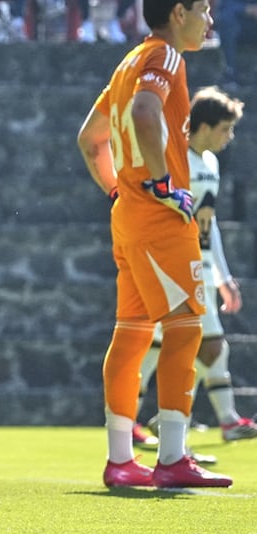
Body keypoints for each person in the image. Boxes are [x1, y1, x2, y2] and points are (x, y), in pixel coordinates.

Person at [76, 0, 230, 488]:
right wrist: (162, 185)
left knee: (134, 331)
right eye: (203, 9)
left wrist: (120, 189)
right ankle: (171, 458)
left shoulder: (128, 62)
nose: (209, 20)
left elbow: (90, 137)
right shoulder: (164, 56)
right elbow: (145, 111)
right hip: (160, 217)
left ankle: (121, 459)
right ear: (179, 11)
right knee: (186, 329)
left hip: (129, 215)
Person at [135, 86, 257, 445]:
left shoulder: (211, 163)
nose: (229, 137)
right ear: (204, 126)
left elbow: (210, 222)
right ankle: (179, 420)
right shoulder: (176, 158)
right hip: (176, 265)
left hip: (200, 266)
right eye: (225, 128)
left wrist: (222, 276)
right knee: (210, 345)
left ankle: (138, 419)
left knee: (161, 348)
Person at [215, 0, 257, 87]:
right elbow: (224, 6)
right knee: (226, 17)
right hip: (239, 24)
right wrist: (247, 9)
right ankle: (230, 71)